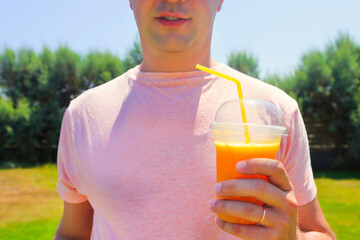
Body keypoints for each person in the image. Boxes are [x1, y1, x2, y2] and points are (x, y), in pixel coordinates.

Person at [54, 0, 336, 239]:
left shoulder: (275, 110)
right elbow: (72, 233)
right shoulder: (83, 116)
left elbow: (320, 232)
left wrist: (295, 237)